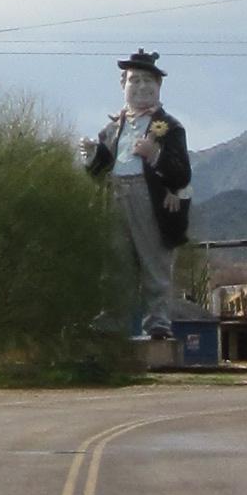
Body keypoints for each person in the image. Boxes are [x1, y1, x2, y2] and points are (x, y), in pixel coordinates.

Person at [83, 48, 193, 336]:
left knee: (154, 261)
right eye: (135, 81)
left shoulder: (169, 127)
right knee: (115, 262)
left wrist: (155, 154)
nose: (141, 87)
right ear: (123, 85)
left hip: (149, 197)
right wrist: (93, 155)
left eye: (148, 81)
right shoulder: (112, 129)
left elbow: (182, 173)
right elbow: (99, 171)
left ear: (159, 87)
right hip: (115, 196)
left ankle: (157, 322)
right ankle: (113, 320)